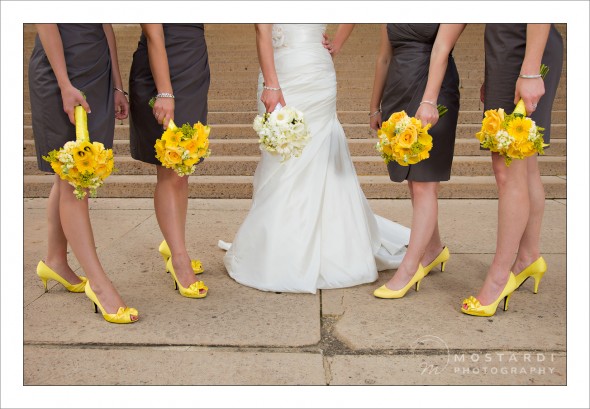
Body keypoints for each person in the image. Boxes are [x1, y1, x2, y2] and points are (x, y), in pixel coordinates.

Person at [218, 24, 410, 293]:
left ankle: (327, 249)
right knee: (279, 157)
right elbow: (262, 30)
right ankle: (282, 246)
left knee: (318, 152)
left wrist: (338, 42)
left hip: (315, 71)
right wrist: (272, 84)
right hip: (279, 71)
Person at [29, 24, 138, 323]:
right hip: (61, 72)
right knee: (75, 177)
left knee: (68, 176)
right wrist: (64, 84)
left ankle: (54, 260)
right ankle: (100, 286)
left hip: (98, 71)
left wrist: (117, 85)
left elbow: (106, 25)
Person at [461, 24, 563, 317]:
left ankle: (499, 277)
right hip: (508, 48)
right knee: (525, 163)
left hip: (523, 46)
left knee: (507, 165)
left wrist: (530, 70)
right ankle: (529, 256)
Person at [368, 24, 465, 299]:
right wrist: (375, 105)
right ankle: (433, 250)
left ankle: (409, 269)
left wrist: (430, 101)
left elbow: (441, 50)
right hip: (398, 88)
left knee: (424, 183)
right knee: (413, 181)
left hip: (432, 90)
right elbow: (383, 57)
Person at [129, 24, 210, 299]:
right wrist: (164, 92)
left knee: (182, 168)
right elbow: (153, 33)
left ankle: (174, 245)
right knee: (170, 167)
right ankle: (178, 259)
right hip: (161, 69)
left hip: (194, 64)